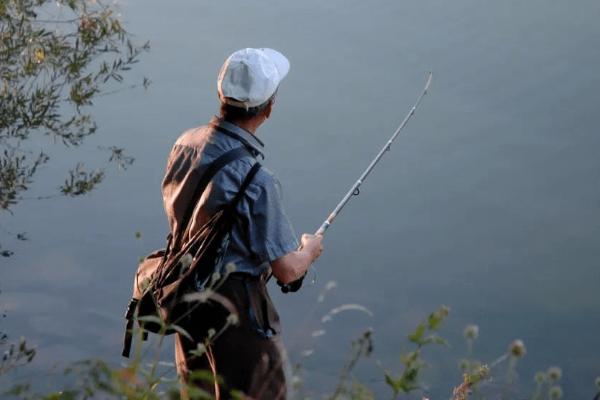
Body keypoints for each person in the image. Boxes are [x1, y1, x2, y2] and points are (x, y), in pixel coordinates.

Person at [161, 48, 324, 399]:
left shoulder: (184, 145)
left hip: (185, 297)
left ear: (222, 96)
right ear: (268, 107)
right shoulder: (257, 179)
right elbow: (285, 270)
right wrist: (309, 251)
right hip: (236, 314)